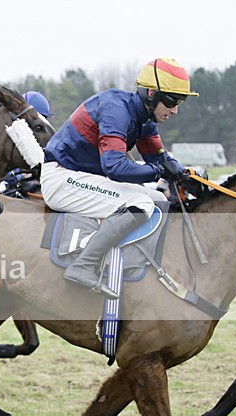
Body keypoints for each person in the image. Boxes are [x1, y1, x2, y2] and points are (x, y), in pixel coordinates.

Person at [39, 58, 198, 299]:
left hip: (83, 178)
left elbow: (161, 159)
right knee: (141, 204)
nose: (175, 110)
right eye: (172, 101)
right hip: (62, 178)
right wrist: (160, 171)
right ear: (152, 94)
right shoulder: (116, 109)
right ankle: (84, 265)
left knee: (158, 199)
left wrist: (188, 176)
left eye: (180, 102)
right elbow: (115, 167)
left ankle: (133, 268)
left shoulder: (145, 119)